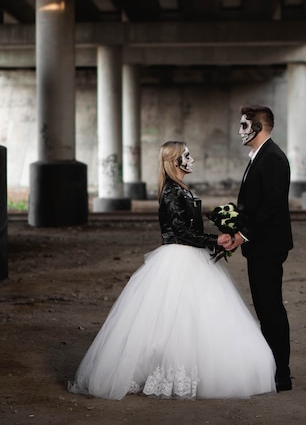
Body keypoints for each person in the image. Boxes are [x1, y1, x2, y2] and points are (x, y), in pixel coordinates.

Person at [68, 141, 276, 400]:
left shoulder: (182, 189)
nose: (191, 158)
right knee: (175, 318)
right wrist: (214, 241)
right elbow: (179, 232)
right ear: (174, 161)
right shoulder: (171, 192)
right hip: (178, 258)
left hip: (192, 255)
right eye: (186, 155)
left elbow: (191, 229)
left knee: (195, 317)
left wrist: (216, 232)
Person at [223, 105, 294, 392]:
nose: (240, 131)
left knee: (271, 309)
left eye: (244, 126)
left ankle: (281, 374)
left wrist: (242, 234)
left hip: (267, 246)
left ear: (258, 127)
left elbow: (271, 208)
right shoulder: (259, 157)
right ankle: (273, 369)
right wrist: (234, 224)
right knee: (265, 309)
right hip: (260, 245)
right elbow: (253, 204)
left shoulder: (273, 159)